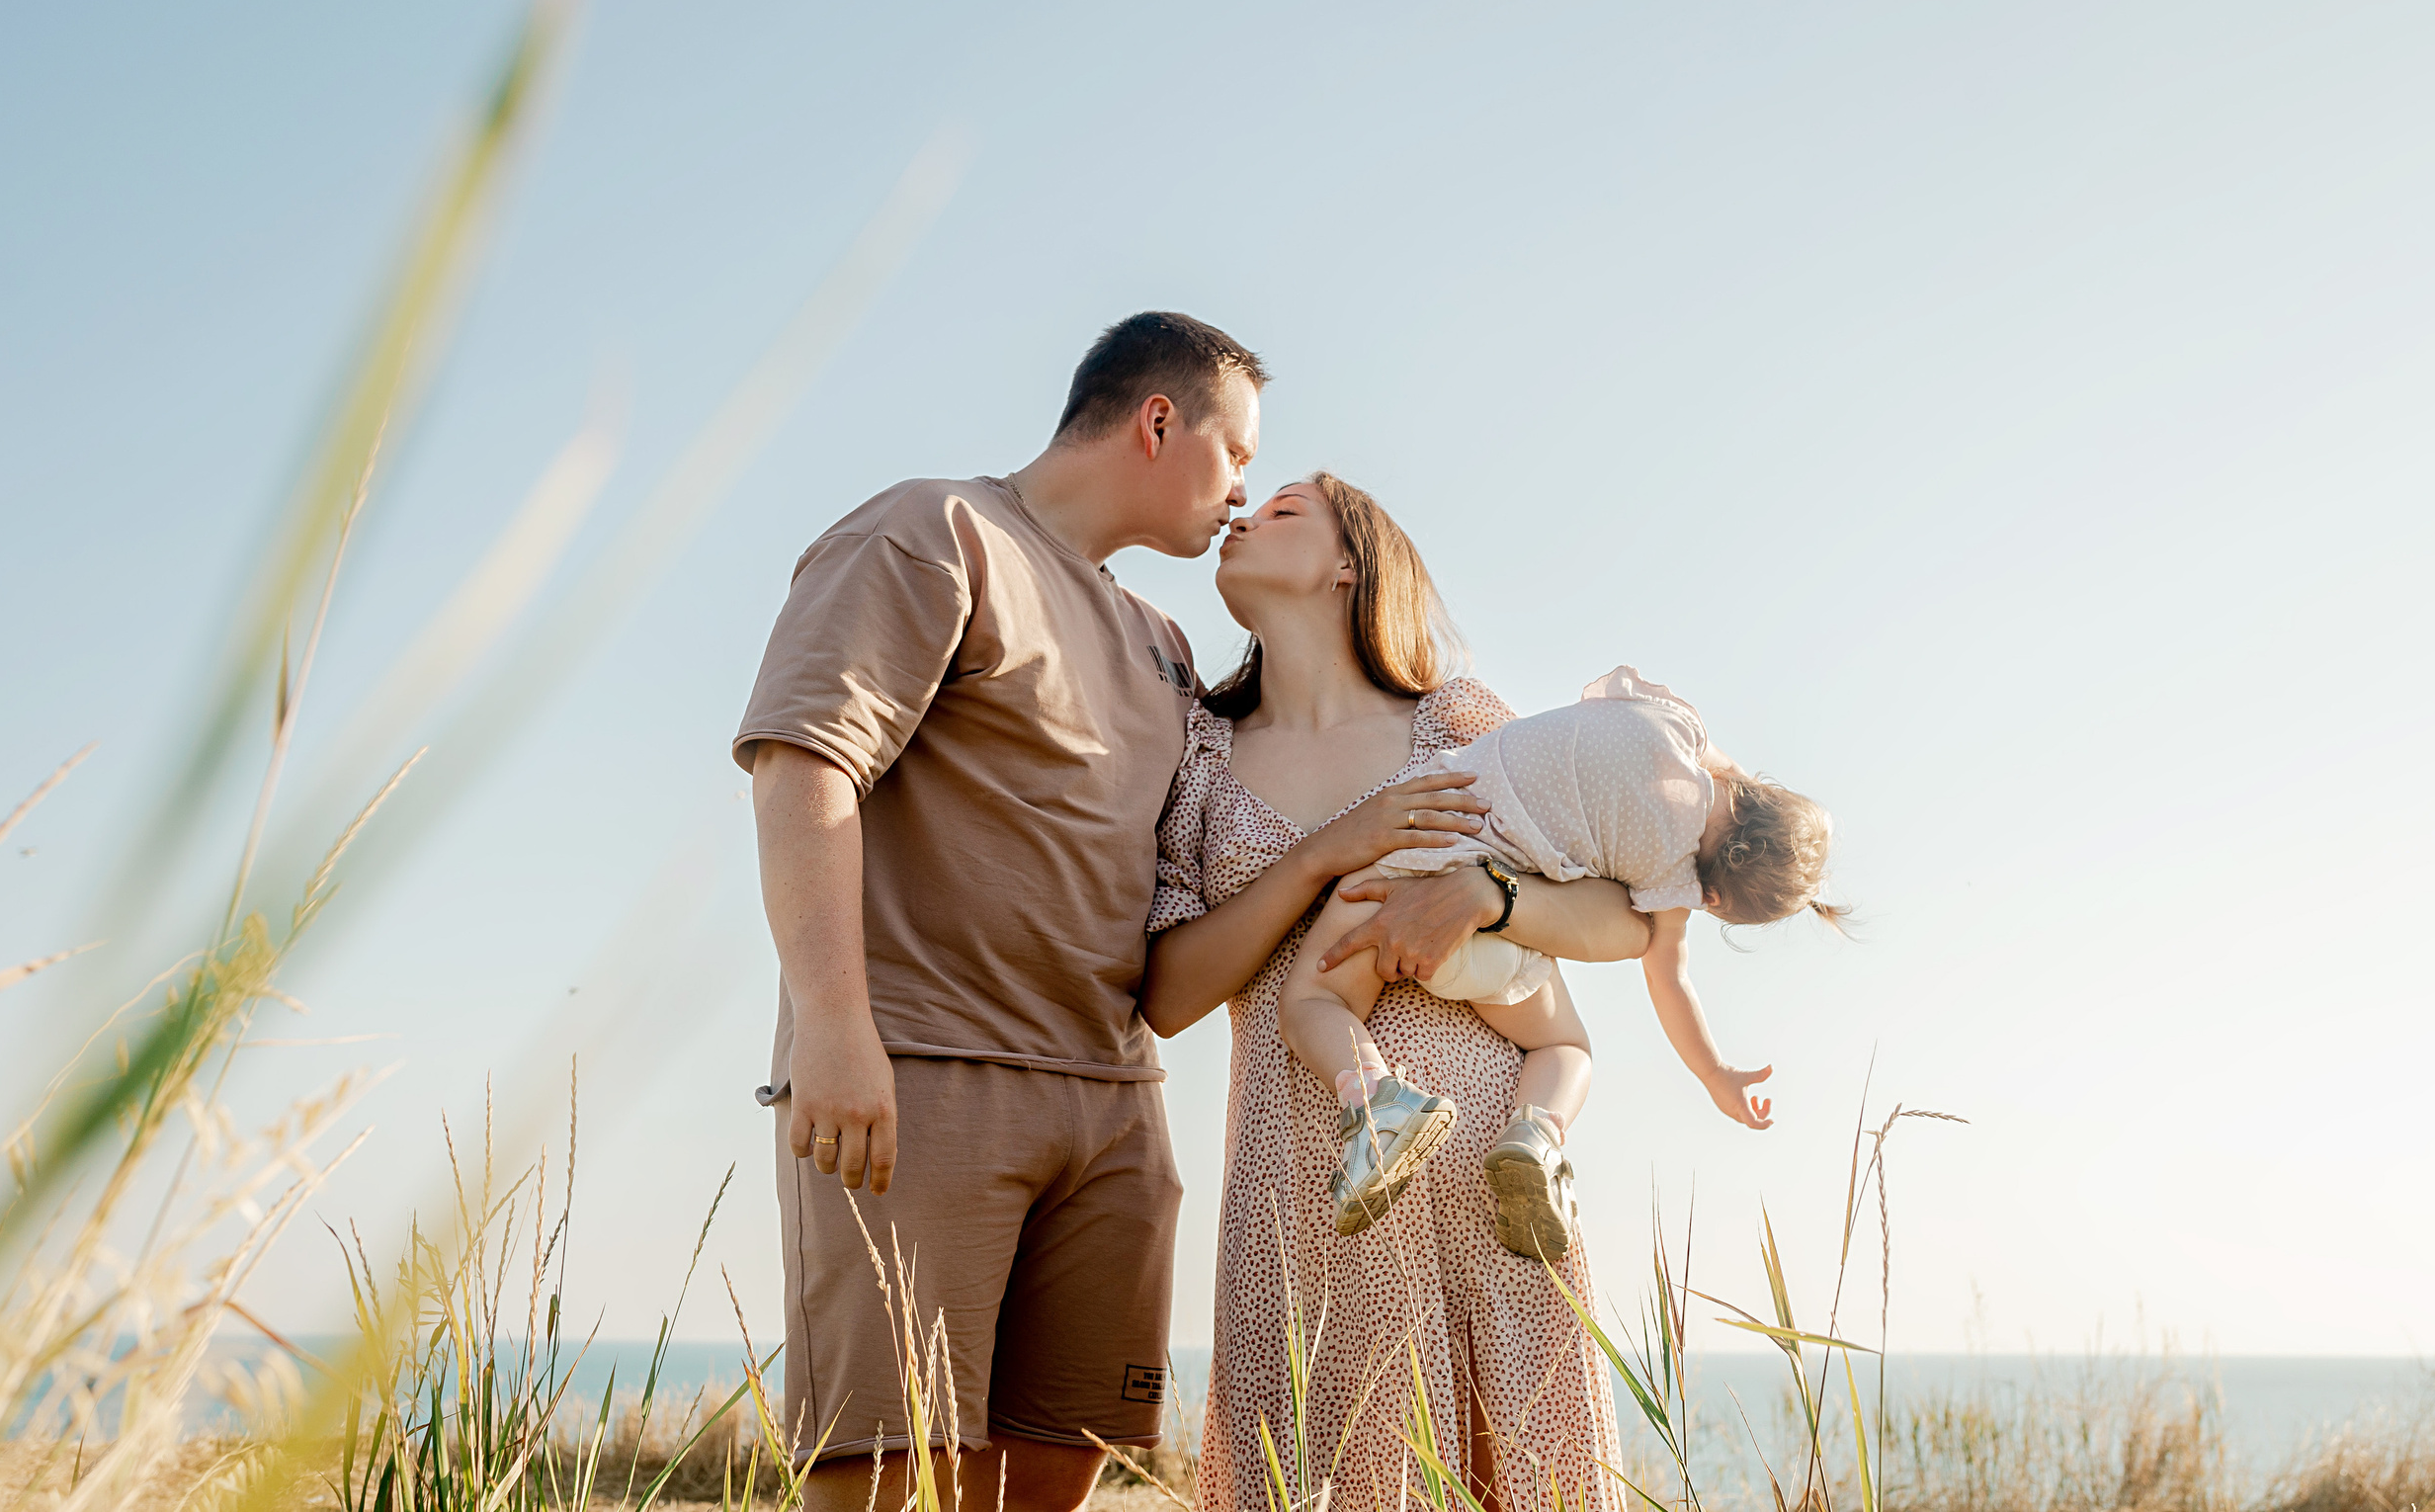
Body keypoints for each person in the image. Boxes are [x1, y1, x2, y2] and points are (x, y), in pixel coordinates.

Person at [732, 311, 1262, 1512]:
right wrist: (831, 1026)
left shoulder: (1163, 642)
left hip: (1114, 1110)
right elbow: (805, 765)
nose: (1242, 492)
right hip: (918, 1079)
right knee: (882, 1467)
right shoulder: (936, 532)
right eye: (1236, 455)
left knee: (1060, 1466)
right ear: (1158, 420)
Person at [1141, 473, 1642, 1512]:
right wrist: (1331, 851)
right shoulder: (1199, 752)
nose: (1238, 514)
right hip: (1305, 1180)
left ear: (1348, 564)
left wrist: (1485, 898)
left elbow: (1613, 917)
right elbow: (1167, 996)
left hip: (1489, 1165)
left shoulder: (1456, 718)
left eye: (1280, 511)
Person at [1281, 665, 1841, 1253]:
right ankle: (1537, 1131)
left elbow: (1708, 762)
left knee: (1314, 1000)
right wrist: (1714, 1073)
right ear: (1717, 898)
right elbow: (1670, 980)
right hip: (1498, 930)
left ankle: (1375, 1100)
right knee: (1565, 1048)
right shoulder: (1675, 882)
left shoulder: (1675, 725)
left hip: (1427, 843)